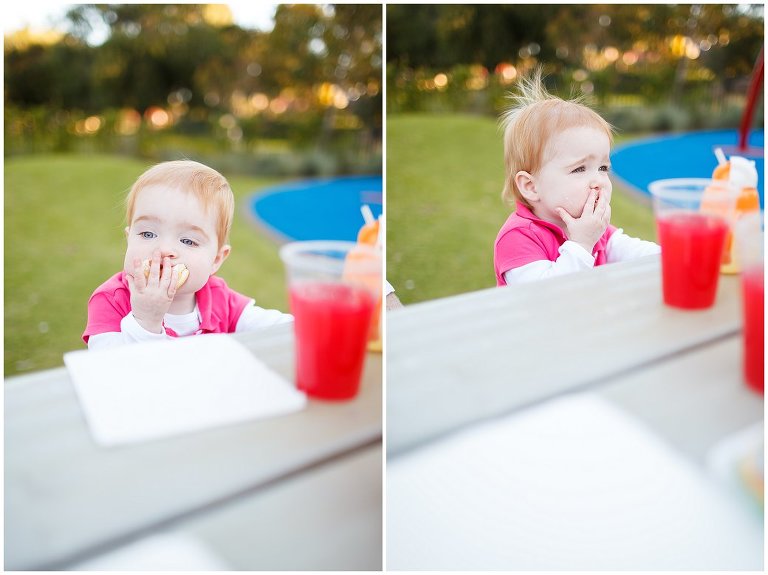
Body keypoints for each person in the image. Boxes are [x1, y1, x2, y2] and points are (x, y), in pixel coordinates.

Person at [83, 160, 291, 349]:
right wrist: (146, 322)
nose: (164, 250)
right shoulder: (112, 300)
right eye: (148, 233)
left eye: (188, 241)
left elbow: (282, 329)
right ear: (129, 238)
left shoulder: (220, 300)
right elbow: (111, 372)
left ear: (216, 260)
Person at [494, 69, 659, 286]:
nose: (598, 180)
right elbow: (545, 297)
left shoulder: (591, 227)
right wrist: (582, 243)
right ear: (531, 187)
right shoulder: (518, 238)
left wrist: (676, 254)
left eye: (603, 168)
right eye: (580, 169)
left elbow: (631, 250)